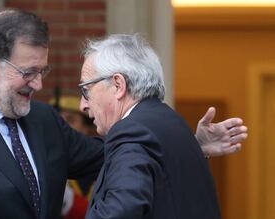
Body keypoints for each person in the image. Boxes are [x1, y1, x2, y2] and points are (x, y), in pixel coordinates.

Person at [0, 8, 247, 219]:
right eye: (28, 72)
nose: (37, 84)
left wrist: (189, 144)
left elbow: (119, 157)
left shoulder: (43, 120)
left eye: (43, 72)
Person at [79, 34, 225, 219]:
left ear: (118, 85)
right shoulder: (172, 122)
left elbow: (119, 213)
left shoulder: (131, 133)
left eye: (86, 90)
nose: (83, 105)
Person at [50, 96, 95, 219]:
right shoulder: (45, 164)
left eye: (70, 120)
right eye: (58, 120)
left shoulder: (101, 165)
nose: (61, 126)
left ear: (86, 128)